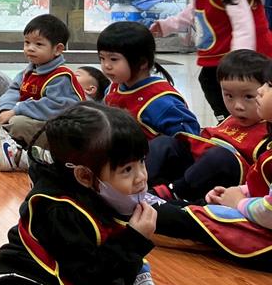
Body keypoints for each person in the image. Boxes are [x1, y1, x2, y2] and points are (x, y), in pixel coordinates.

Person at [0, 103, 169, 285]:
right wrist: (136, 239)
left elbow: (168, 214)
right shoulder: (58, 210)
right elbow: (90, 279)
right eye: (127, 170)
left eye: (141, 162)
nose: (141, 177)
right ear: (84, 176)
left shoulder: (106, 188)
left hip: (81, 275)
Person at [153, 76, 272, 270]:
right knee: (165, 146)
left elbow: (269, 213)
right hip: (251, 207)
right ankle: (143, 198)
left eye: (269, 86)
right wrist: (240, 191)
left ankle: (135, 207)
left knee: (200, 220)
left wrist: (238, 202)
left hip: (263, 230)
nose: (261, 90)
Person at [149, 49, 271, 203]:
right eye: (229, 96)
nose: (237, 106)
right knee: (165, 143)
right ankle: (139, 184)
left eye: (248, 97)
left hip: (228, 182)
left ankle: (173, 192)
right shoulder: (231, 120)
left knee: (219, 156)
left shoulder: (267, 130)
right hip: (198, 170)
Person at [97, 21, 200, 187]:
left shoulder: (160, 99)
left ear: (142, 62)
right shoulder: (113, 88)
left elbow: (188, 140)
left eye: (113, 59)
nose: (106, 65)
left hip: (153, 169)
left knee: (163, 144)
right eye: (102, 58)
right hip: (123, 159)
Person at [0, 14, 86, 171]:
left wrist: (17, 110)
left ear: (58, 49)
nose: (30, 48)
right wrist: (6, 109)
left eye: (39, 44)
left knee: (18, 123)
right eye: (27, 42)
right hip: (35, 117)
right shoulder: (30, 70)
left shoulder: (61, 76)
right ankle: (5, 135)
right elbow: (14, 90)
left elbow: (55, 106)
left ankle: (12, 143)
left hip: (60, 131)